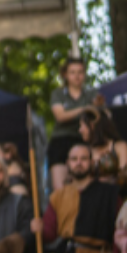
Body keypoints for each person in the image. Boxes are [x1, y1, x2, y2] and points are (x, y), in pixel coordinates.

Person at [48, 58, 103, 192]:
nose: (77, 76)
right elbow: (60, 116)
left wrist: (98, 106)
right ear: (65, 75)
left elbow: (99, 117)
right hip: (61, 141)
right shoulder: (58, 93)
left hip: (85, 140)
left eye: (80, 72)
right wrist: (85, 108)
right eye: (72, 72)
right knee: (60, 188)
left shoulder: (91, 93)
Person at [79, 107, 127, 187]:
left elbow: (125, 175)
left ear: (92, 125)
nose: (80, 130)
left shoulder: (120, 146)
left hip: (115, 191)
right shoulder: (85, 150)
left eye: (82, 126)